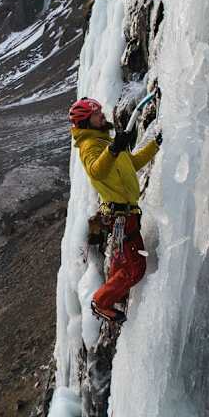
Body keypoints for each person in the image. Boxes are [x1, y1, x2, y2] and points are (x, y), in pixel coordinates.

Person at [69, 97, 162, 323]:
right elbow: (95, 171)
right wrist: (113, 149)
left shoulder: (103, 141)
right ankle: (101, 302)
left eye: (100, 111)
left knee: (122, 262)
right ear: (86, 122)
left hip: (125, 214)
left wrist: (156, 144)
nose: (102, 115)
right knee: (135, 267)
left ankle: (116, 294)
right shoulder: (90, 146)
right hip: (121, 216)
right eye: (96, 114)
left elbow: (133, 163)